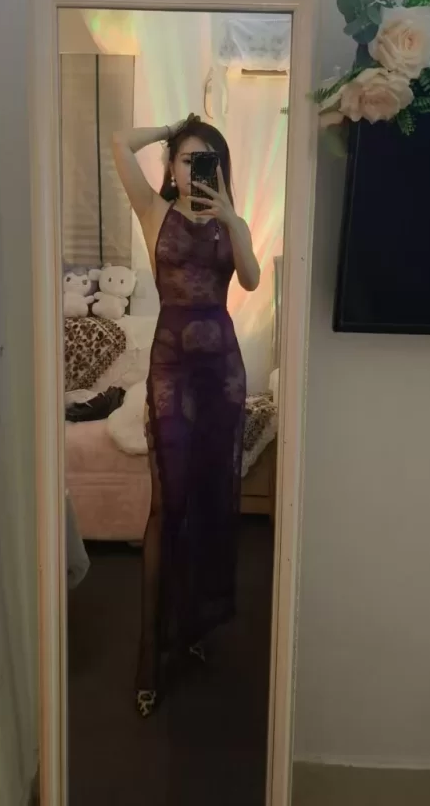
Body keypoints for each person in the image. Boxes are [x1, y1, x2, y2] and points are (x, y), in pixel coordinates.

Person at [112, 114, 261, 717]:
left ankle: (194, 625)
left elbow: (250, 279)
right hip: (171, 373)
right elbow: (119, 142)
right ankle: (151, 650)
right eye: (186, 158)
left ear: (220, 168)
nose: (196, 168)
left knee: (210, 499)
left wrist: (232, 220)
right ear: (171, 167)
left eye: (207, 158)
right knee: (167, 505)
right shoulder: (154, 212)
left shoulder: (230, 221)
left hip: (222, 373)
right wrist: (177, 126)